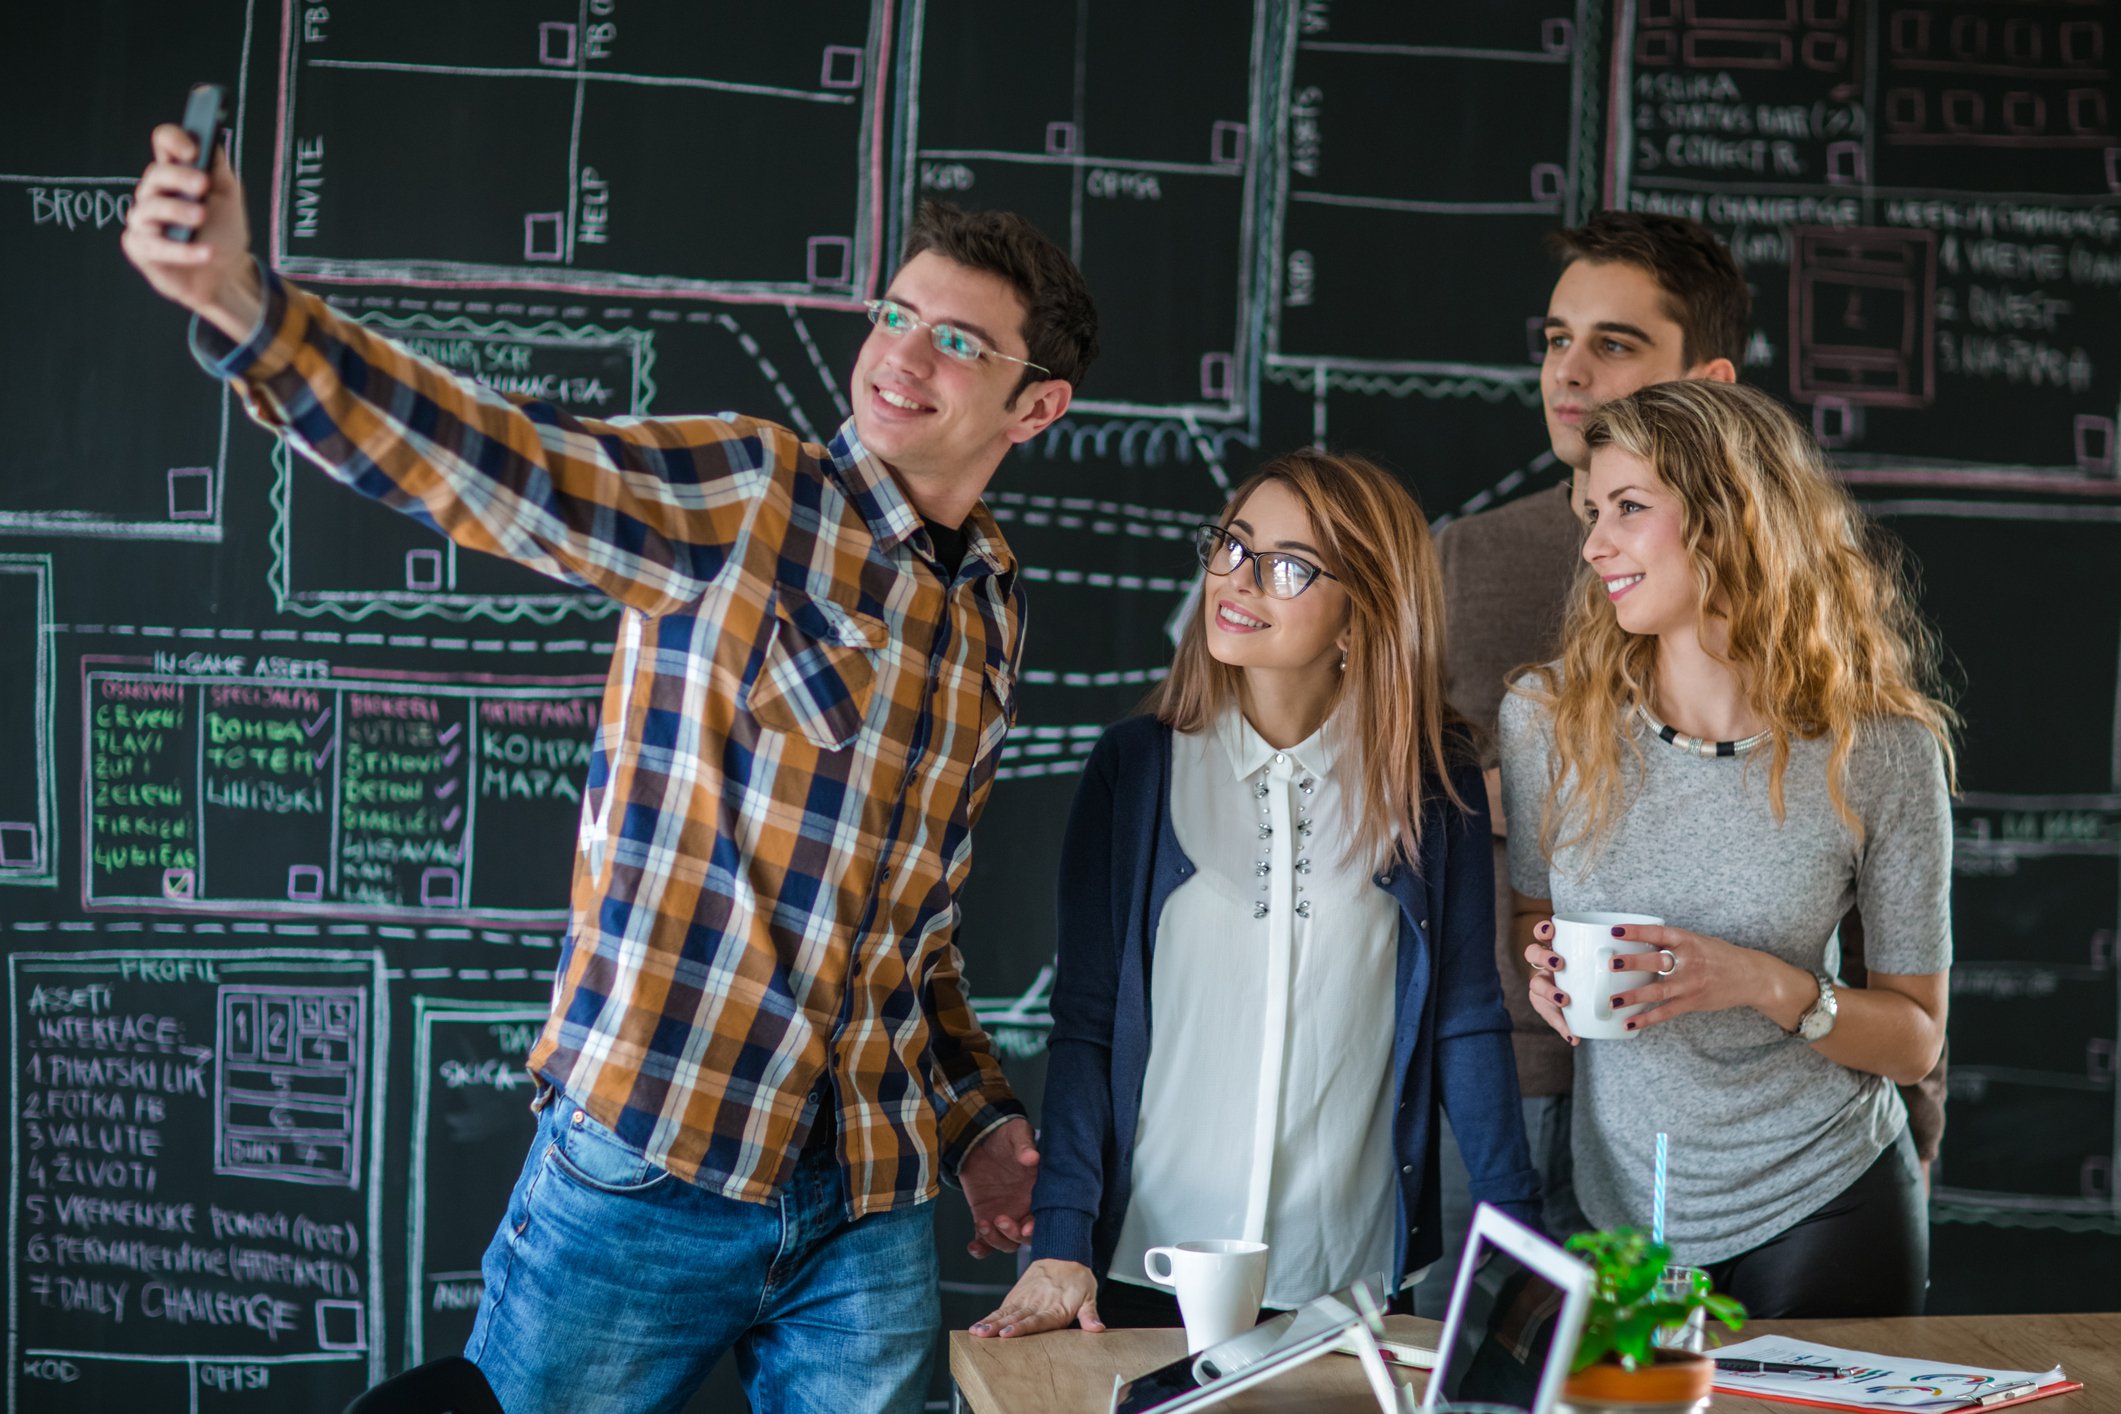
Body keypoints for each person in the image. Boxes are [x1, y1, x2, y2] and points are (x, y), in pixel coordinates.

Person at [123, 124, 1097, 1411]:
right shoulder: (754, 496)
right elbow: (500, 463)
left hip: (865, 1193)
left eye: (958, 340)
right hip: (651, 1164)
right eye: (896, 314)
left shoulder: (990, 603)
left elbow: (912, 927)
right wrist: (252, 313)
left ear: (1038, 405)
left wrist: (976, 1121)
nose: (903, 356)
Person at [969, 451, 1540, 1338]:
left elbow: (1464, 1018)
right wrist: (1063, 1237)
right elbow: (1084, 1027)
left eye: (1287, 566)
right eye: (1232, 546)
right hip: (1141, 1265)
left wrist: (1525, 1244)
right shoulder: (1135, 768)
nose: (1236, 581)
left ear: (1365, 613)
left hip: (1344, 1276)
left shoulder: (1432, 782)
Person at [1504, 379, 1956, 1317]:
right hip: (1623, 1211)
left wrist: (1759, 981)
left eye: (1628, 509)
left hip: (1826, 1195)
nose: (1593, 545)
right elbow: (1532, 912)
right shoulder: (1544, 720)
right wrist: (1544, 964)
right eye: (1593, 513)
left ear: (1728, 517)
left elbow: (1916, 1043)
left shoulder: (1881, 749)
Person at [1420, 210, 1748, 1312]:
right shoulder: (1462, 561)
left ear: (1710, 379)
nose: (1569, 369)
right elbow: (1391, 796)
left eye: (1613, 343)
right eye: (1557, 338)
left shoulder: (1800, 579)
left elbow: (1863, 834)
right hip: (1501, 1078)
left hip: (1722, 1096)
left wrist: (1916, 1111)